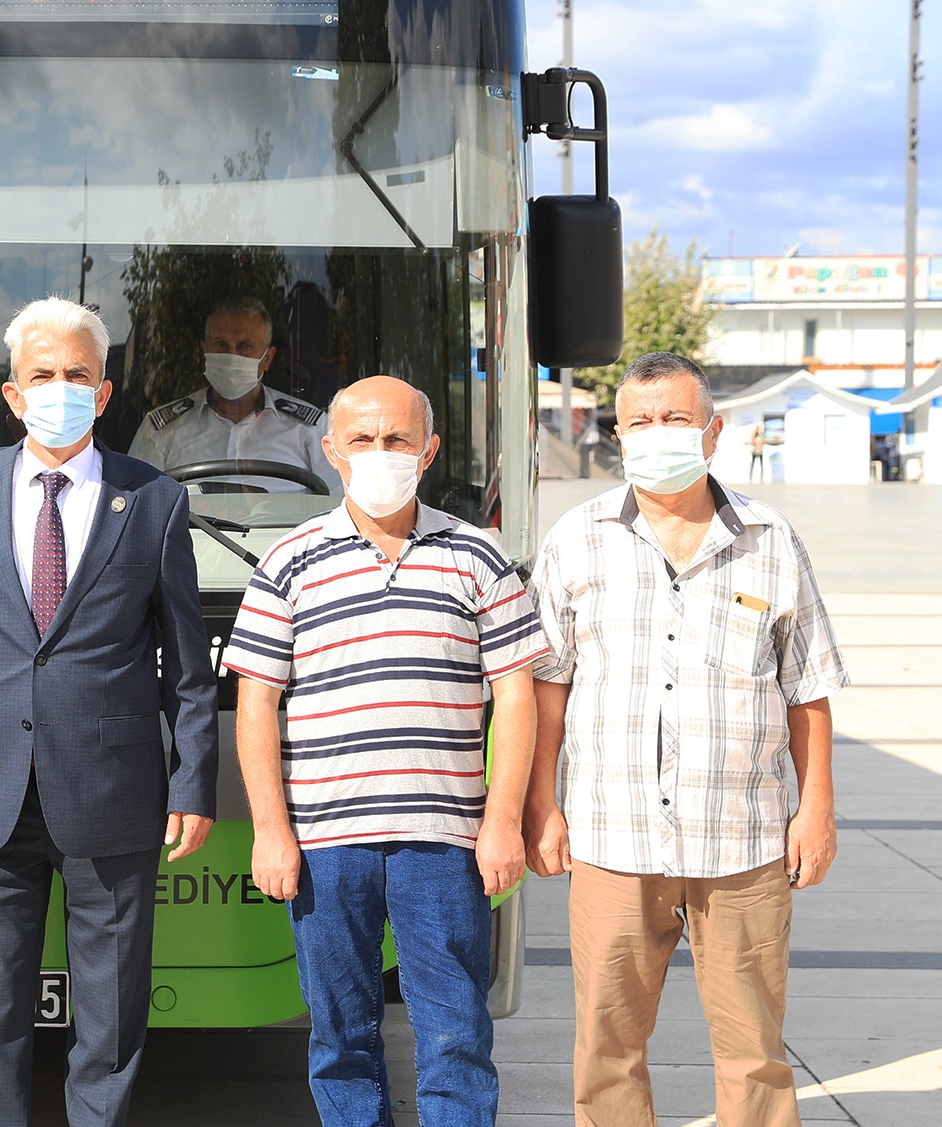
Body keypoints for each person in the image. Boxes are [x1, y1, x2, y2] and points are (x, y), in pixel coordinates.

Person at [0, 297, 219, 1127]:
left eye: (78, 374)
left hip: (112, 792)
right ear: (11, 392)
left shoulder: (155, 500)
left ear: (105, 394)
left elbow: (187, 666)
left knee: (109, 1020)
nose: (60, 388)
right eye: (44, 374)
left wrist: (193, 784)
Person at [525, 352, 849, 1127]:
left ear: (713, 431)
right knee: (606, 1048)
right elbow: (547, 690)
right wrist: (543, 802)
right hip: (613, 839)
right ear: (617, 434)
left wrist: (818, 810)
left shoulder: (771, 539)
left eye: (675, 418)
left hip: (741, 842)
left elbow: (808, 686)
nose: (657, 434)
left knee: (754, 1052)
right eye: (640, 421)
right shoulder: (577, 539)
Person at [224, 375, 544, 1127]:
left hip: (445, 842)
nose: (379, 454)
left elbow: (518, 697)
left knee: (455, 1031)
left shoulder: (479, 556)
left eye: (396, 439)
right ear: (330, 450)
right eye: (361, 440)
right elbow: (255, 705)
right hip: (325, 843)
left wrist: (503, 822)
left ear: (428, 449)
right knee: (340, 1034)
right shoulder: (289, 562)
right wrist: (271, 830)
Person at [129, 295, 339, 494]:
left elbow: (339, 506)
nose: (231, 356)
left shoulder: (310, 430)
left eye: (244, 346)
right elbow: (137, 506)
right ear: (205, 351)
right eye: (221, 344)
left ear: (268, 358)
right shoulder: (162, 430)